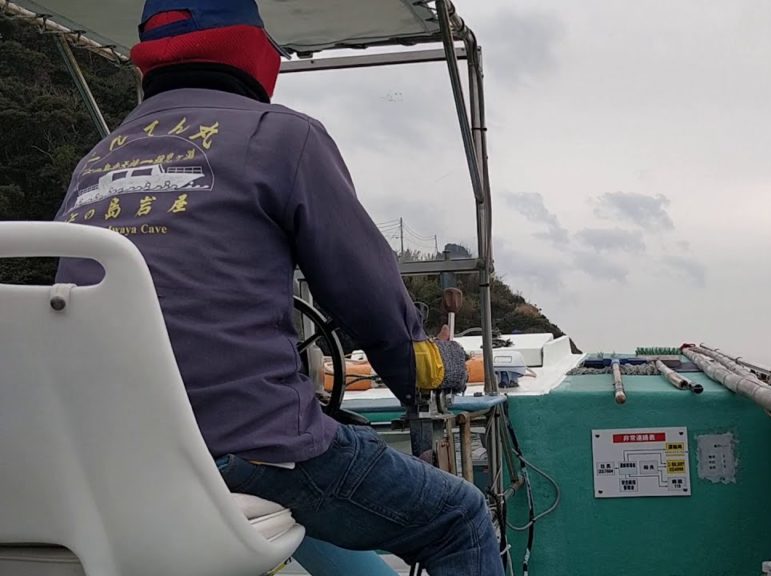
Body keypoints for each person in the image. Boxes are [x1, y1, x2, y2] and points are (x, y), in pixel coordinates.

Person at [53, 1, 503, 575]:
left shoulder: (97, 160)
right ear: (252, 49)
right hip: (243, 448)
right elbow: (371, 304)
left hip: (105, 455)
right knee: (457, 519)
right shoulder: (282, 136)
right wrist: (436, 365)